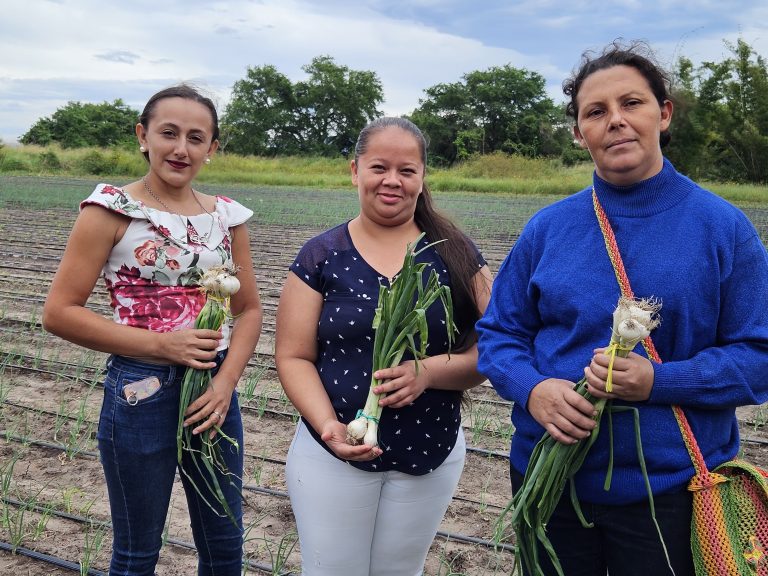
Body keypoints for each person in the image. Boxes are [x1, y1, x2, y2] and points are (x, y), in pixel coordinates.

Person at [476, 40, 768, 576]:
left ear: (664, 113)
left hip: (670, 491)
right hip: (549, 483)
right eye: (595, 112)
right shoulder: (548, 229)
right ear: (578, 132)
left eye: (631, 103)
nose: (616, 121)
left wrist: (659, 382)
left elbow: (760, 355)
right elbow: (498, 336)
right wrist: (534, 389)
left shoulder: (723, 229)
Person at [42, 84, 263, 576]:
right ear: (143, 136)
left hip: (213, 390)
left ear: (212, 148)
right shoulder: (111, 210)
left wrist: (226, 384)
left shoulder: (227, 218)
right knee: (137, 553)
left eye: (196, 137)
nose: (180, 148)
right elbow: (59, 311)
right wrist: (161, 344)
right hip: (141, 391)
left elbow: (248, 310)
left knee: (225, 546)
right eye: (168, 133)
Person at [275, 116, 493, 575]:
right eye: (378, 167)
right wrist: (329, 427)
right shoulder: (321, 255)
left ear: (422, 177)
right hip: (332, 451)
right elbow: (293, 356)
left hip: (429, 447)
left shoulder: (456, 253)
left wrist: (428, 373)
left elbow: (491, 350)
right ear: (355, 171)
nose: (392, 180)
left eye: (406, 170)